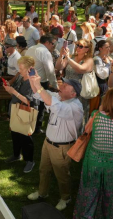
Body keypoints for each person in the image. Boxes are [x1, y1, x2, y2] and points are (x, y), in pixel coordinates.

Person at [27, 72, 83, 211]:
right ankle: (42, 193)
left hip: (62, 148)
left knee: (62, 175)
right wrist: (32, 79)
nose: (61, 86)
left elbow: (51, 102)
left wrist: (39, 85)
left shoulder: (75, 107)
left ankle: (65, 197)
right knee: (43, 170)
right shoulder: (59, 97)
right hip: (48, 143)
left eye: (65, 86)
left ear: (73, 94)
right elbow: (39, 94)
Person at [73, 87, 113, 219]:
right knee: (112, 198)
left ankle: (85, 216)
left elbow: (87, 132)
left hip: (94, 162)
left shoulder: (96, 116)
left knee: (89, 195)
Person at [3, 56, 38, 173]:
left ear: (29, 69)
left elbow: (29, 101)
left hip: (25, 113)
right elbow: (16, 93)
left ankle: (30, 161)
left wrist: (13, 92)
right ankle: (16, 154)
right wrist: (10, 89)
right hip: (16, 110)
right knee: (15, 133)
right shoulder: (21, 78)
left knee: (25, 137)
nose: (19, 70)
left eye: (22, 68)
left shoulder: (32, 82)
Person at [26, 35, 59, 134]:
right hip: (40, 82)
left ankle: (29, 124)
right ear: (47, 43)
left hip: (28, 80)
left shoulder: (31, 49)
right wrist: (55, 85)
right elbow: (50, 71)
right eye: (53, 44)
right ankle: (37, 127)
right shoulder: (45, 52)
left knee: (31, 102)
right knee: (40, 105)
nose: (53, 46)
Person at [91, 40, 111, 113]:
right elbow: (101, 75)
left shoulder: (104, 58)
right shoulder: (97, 59)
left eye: (109, 47)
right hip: (99, 85)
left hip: (102, 85)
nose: (109, 49)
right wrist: (108, 64)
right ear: (100, 48)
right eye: (106, 47)